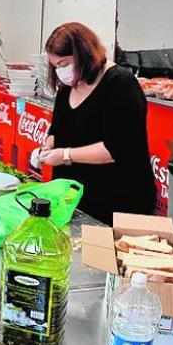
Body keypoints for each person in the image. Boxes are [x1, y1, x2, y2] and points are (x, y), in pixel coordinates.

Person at [37, 22, 153, 225]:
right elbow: (58, 131)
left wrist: (65, 155)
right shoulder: (69, 86)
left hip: (117, 199)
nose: (60, 72)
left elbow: (115, 149)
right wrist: (47, 147)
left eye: (64, 64)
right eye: (56, 67)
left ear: (83, 54)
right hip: (75, 197)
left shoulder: (120, 85)